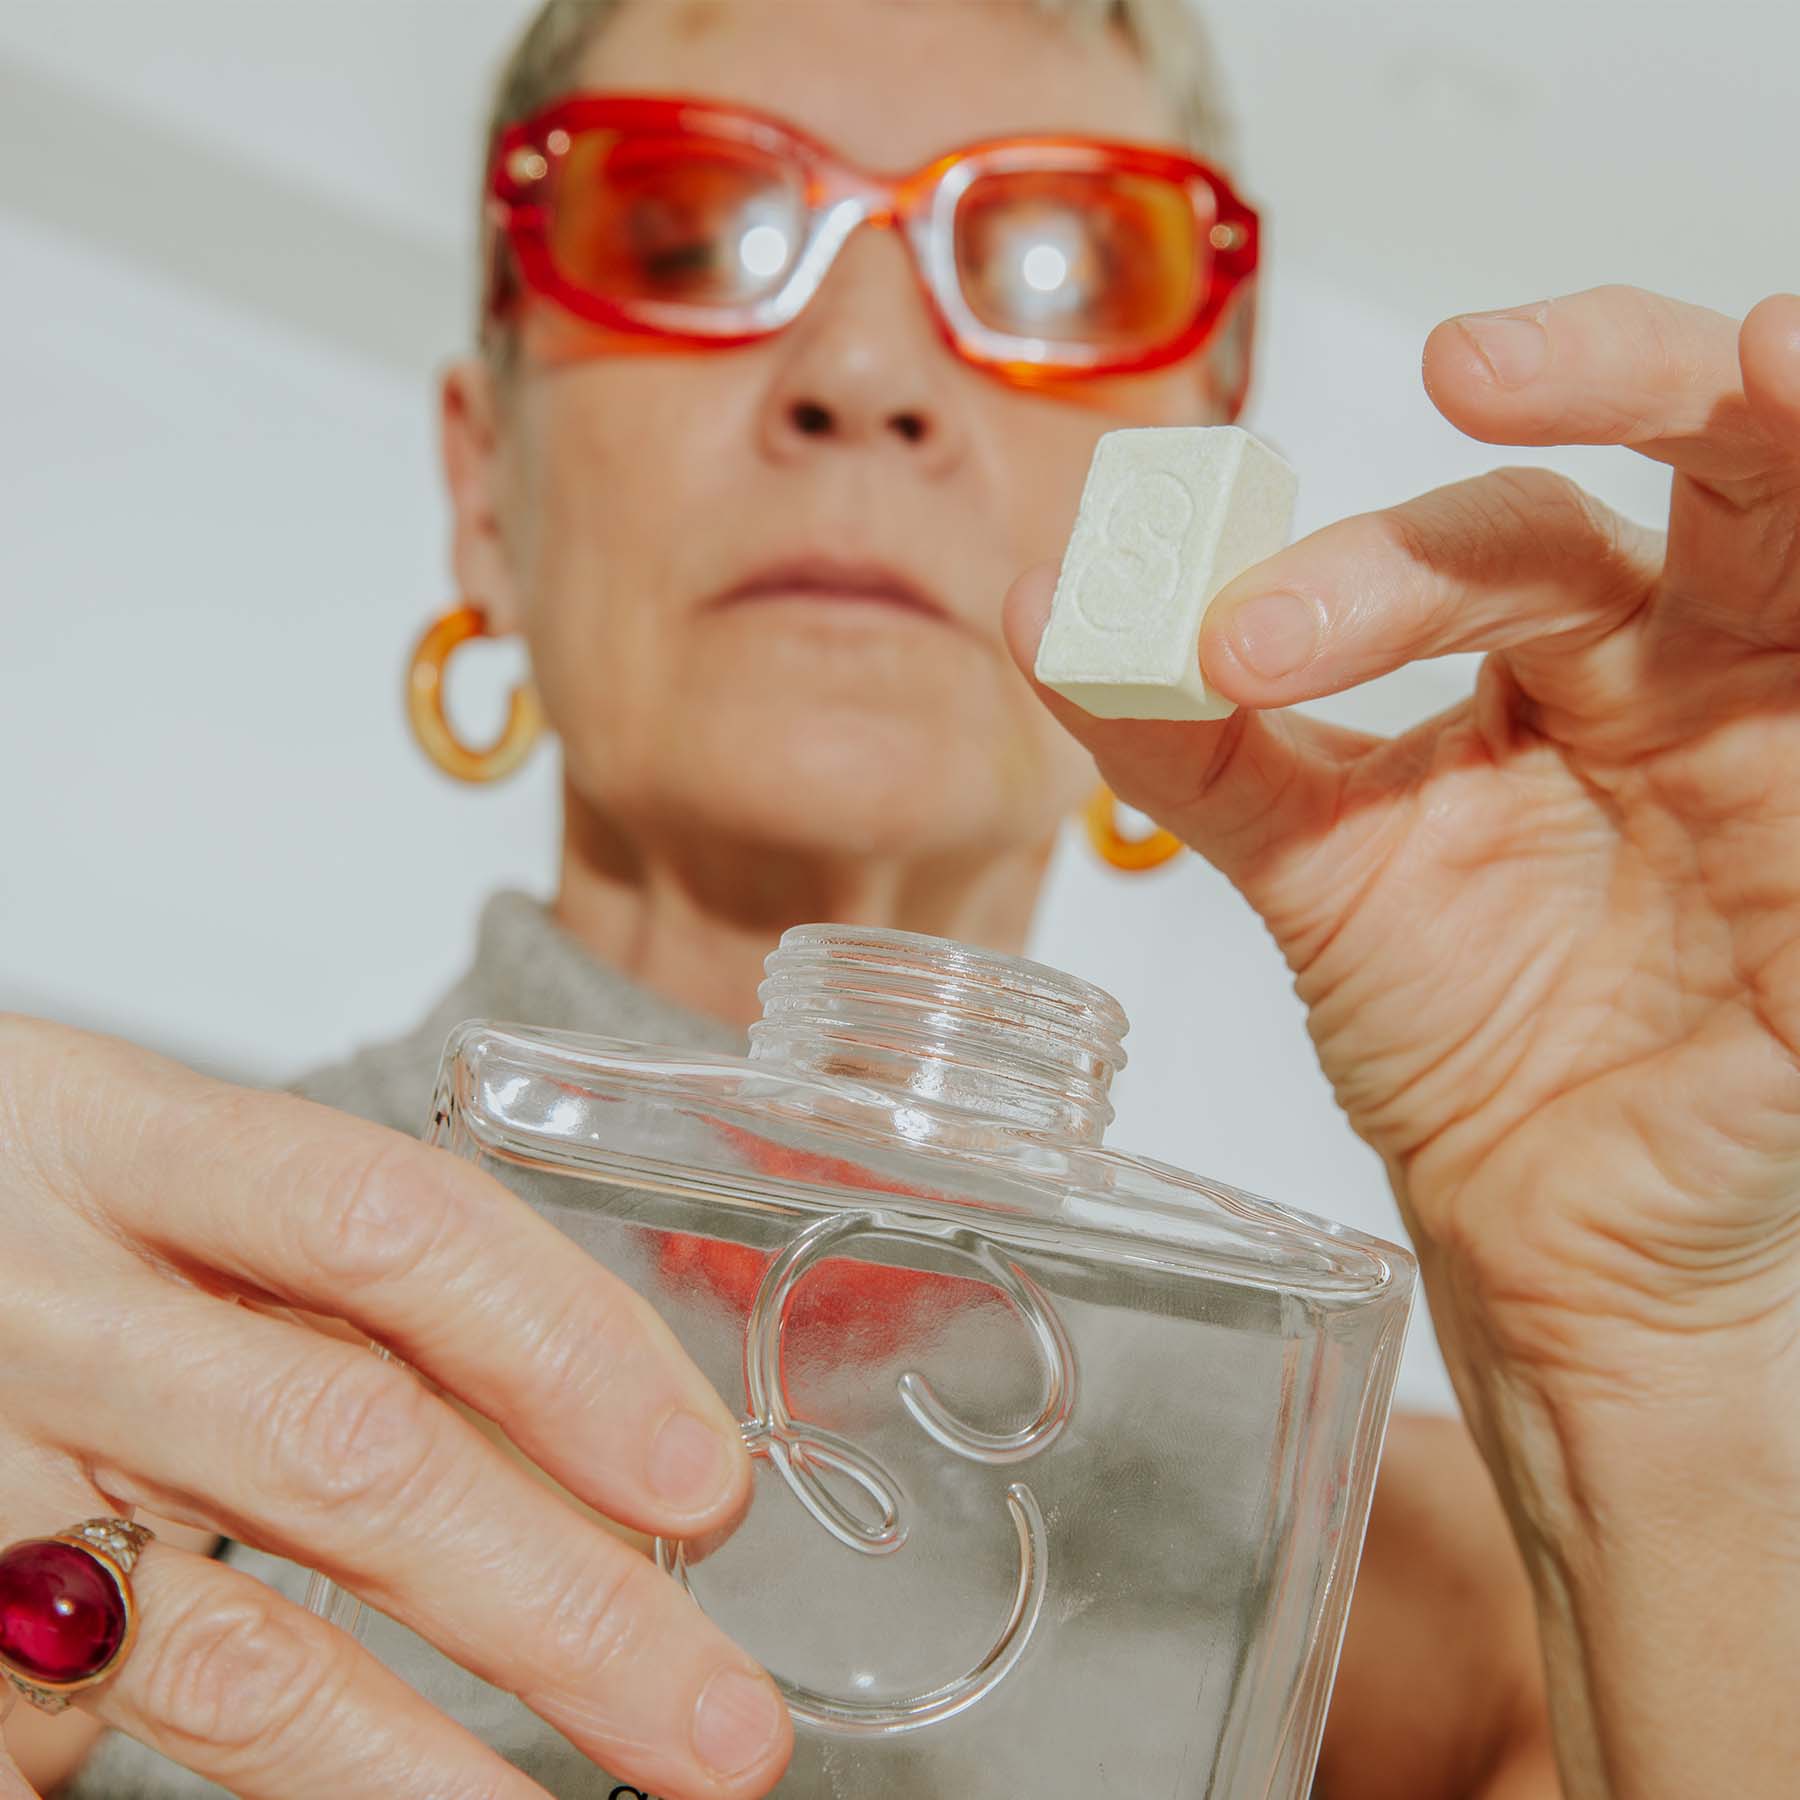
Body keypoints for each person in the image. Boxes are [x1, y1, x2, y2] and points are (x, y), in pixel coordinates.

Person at [2, 0, 1795, 1794]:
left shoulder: (1426, 1584)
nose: (863, 374)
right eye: (688, 231)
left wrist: (1658, 1358)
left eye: (1058, 259)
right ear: (486, 486)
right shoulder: (90, 1326)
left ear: (1188, 488)